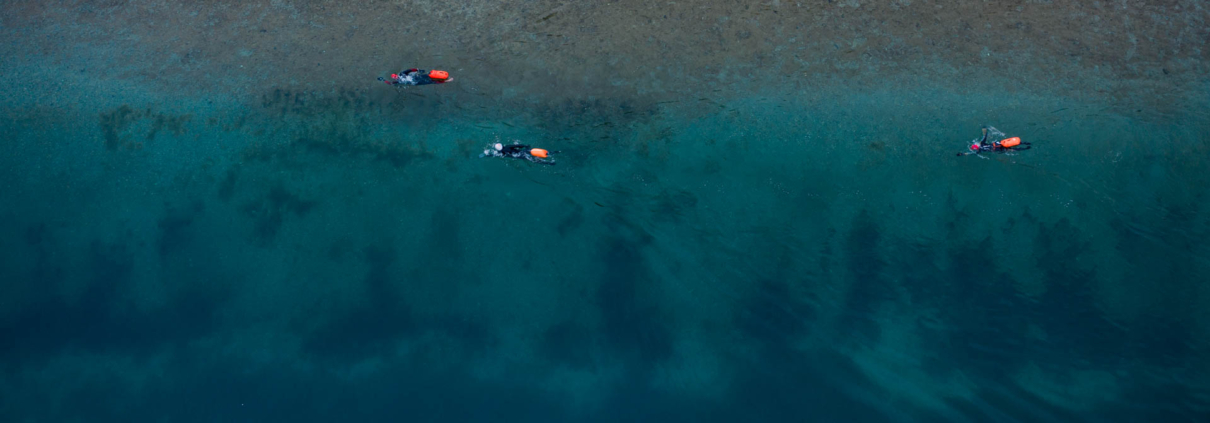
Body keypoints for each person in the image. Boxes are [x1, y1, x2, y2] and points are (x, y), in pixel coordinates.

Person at [957, 125, 1032, 156]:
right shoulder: (982, 144)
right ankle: (1026, 143)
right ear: (977, 145)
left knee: (1013, 149)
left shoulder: (979, 151)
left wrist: (962, 154)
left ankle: (1026, 148)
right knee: (1013, 144)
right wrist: (984, 129)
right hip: (998, 144)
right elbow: (985, 136)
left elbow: (969, 153)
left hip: (998, 149)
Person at [481, 142, 556, 165]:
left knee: (534, 160)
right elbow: (517, 146)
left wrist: (485, 155)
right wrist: (525, 145)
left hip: (520, 156)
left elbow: (493, 155)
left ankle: (550, 163)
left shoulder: (500, 153)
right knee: (530, 151)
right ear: (501, 145)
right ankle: (553, 152)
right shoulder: (508, 146)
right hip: (522, 152)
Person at [378, 68, 453, 86]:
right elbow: (410, 69)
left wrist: (383, 80)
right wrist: (418, 70)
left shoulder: (400, 81)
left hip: (418, 81)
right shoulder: (402, 74)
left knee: (431, 81)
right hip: (417, 78)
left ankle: (446, 81)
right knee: (430, 79)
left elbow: (390, 83)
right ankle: (445, 80)